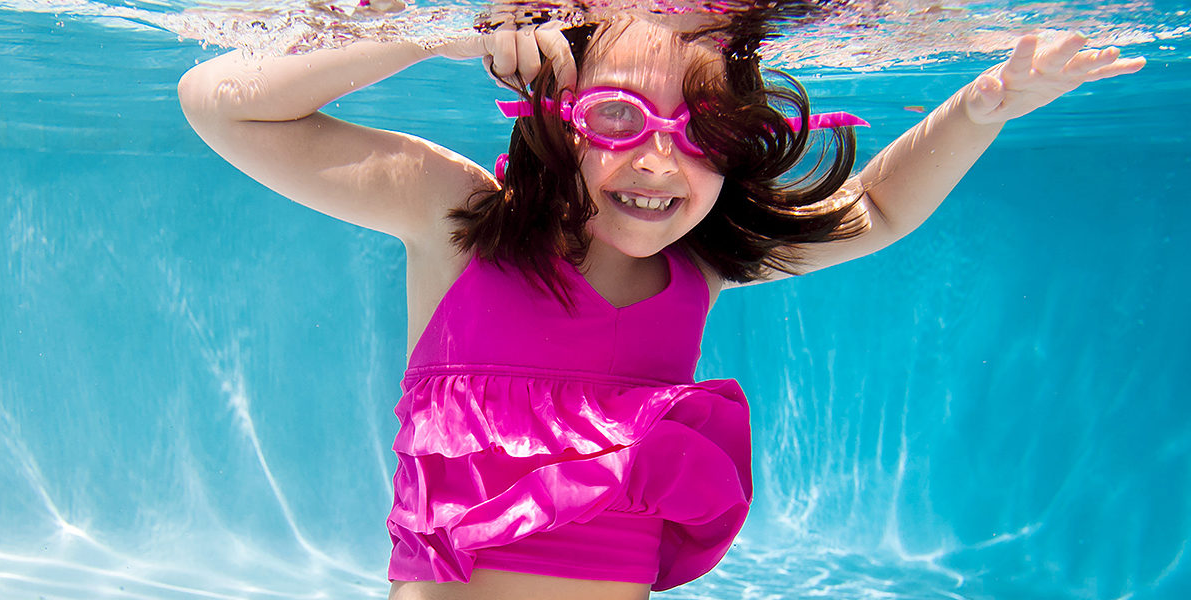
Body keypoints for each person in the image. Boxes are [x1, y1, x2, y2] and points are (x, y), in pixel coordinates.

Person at [176, 2, 1144, 599]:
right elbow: (219, 102)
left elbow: (879, 208)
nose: (657, 162)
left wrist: (983, 105)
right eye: (617, 117)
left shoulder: (700, 270)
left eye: (703, 132)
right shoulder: (460, 222)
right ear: (555, 112)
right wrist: (434, 34)